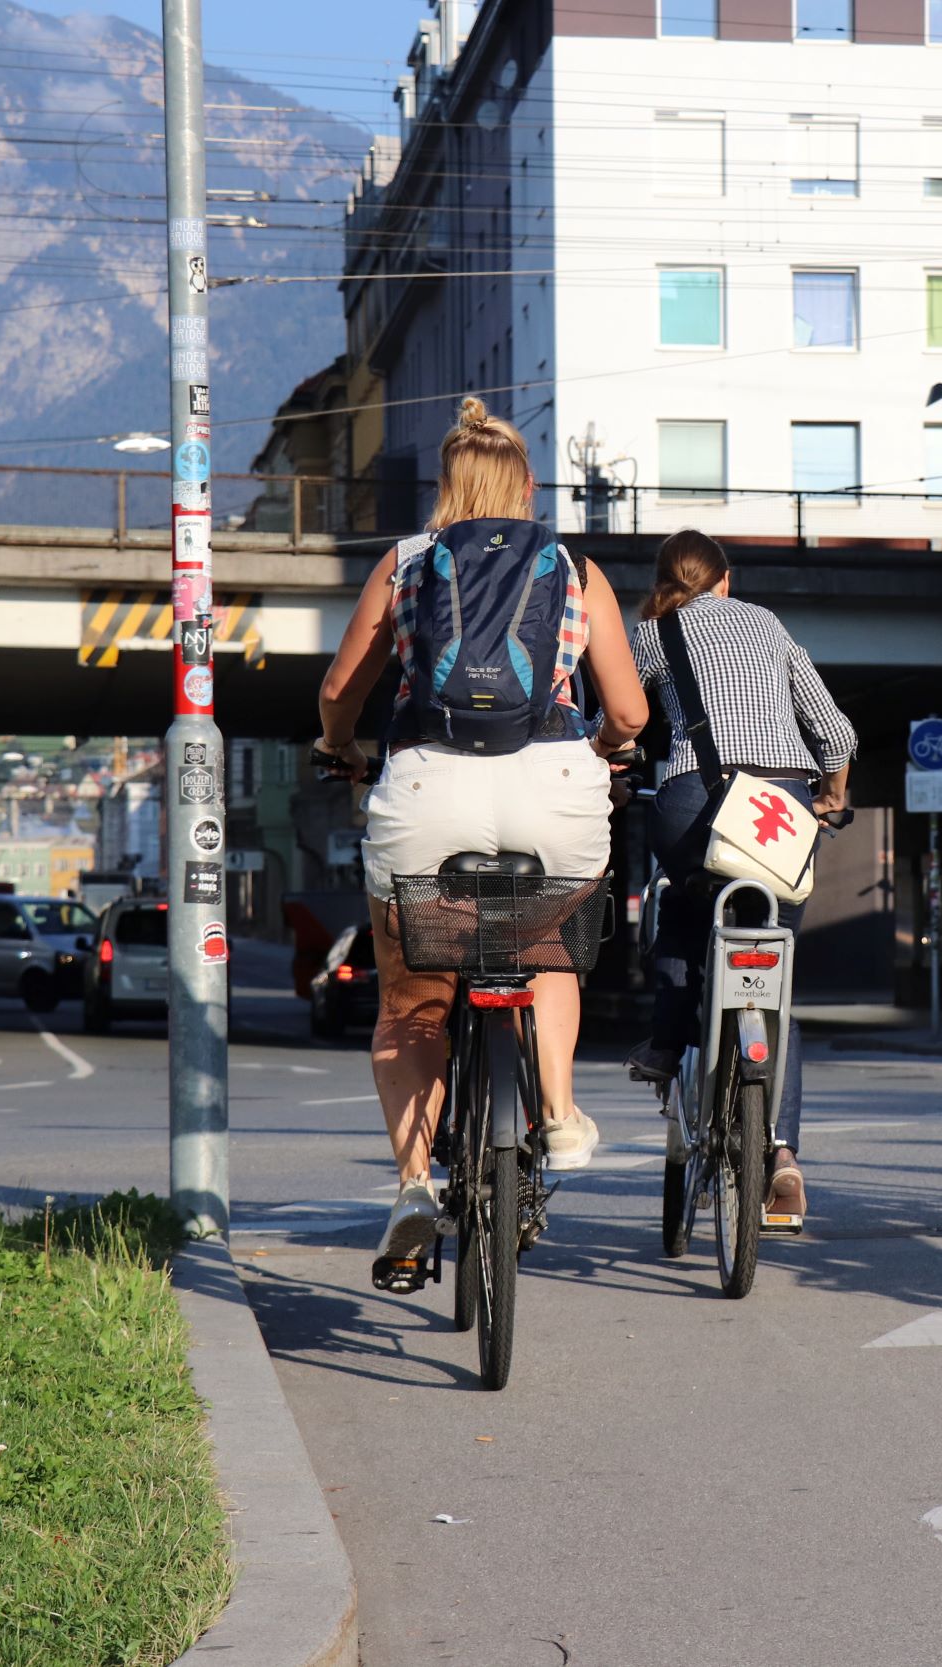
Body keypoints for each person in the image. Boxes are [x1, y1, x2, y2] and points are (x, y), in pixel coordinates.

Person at [316, 396, 651, 1272]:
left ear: (445, 485)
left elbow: (339, 690)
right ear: (527, 486)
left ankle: (415, 1184)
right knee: (547, 950)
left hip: (429, 789)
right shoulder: (575, 566)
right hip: (554, 787)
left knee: (411, 1001)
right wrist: (608, 750)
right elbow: (628, 708)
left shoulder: (408, 562)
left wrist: (339, 747)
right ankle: (561, 1113)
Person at [626, 530, 856, 1220]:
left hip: (691, 799)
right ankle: (782, 1152)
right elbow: (836, 735)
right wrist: (832, 796)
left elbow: (619, 718)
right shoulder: (767, 622)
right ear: (725, 580)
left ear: (668, 581)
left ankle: (668, 1045)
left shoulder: (651, 635)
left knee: (681, 907)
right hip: (780, 808)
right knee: (776, 972)